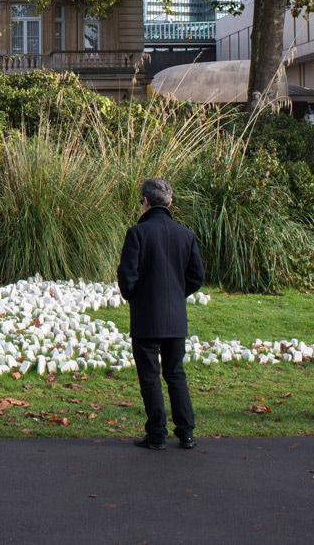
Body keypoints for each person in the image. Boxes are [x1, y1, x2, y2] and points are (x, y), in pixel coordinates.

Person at [116, 177, 205, 450]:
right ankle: (186, 432)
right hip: (176, 318)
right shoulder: (185, 235)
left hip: (146, 317)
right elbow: (197, 276)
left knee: (150, 376)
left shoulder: (137, 234)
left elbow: (127, 276)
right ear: (170, 202)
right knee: (176, 373)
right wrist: (178, 294)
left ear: (145, 201)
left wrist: (135, 296)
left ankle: (156, 434)